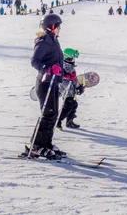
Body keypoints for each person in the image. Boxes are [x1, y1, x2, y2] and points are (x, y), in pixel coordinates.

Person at [27, 14, 65, 159]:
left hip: (54, 82)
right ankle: (37, 146)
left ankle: (46, 144)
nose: (60, 29)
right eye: (58, 26)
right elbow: (34, 61)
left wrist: (65, 74)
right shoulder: (43, 42)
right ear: (52, 27)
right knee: (47, 114)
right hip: (44, 83)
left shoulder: (54, 40)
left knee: (53, 114)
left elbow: (57, 61)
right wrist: (47, 69)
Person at [57, 48, 84, 130]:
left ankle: (69, 121)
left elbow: (74, 78)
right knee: (68, 106)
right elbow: (63, 77)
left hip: (70, 90)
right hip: (65, 89)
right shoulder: (64, 65)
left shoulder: (70, 66)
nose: (73, 60)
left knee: (74, 104)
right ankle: (58, 121)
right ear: (67, 57)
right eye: (72, 58)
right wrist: (74, 85)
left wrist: (79, 86)